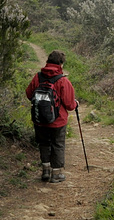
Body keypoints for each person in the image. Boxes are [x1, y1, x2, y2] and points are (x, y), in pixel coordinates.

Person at [26, 50, 78, 183]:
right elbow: (69, 104)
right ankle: (56, 174)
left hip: (39, 119)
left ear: (47, 62)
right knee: (58, 144)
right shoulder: (63, 81)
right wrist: (75, 104)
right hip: (58, 121)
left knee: (43, 143)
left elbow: (29, 93)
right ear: (60, 64)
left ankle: (45, 171)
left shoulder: (38, 77)